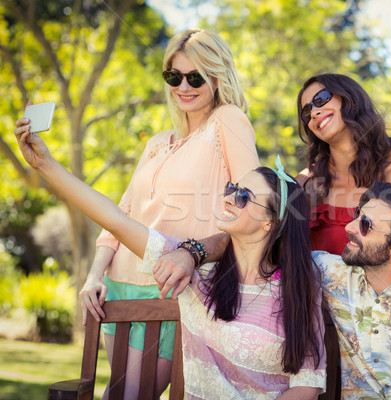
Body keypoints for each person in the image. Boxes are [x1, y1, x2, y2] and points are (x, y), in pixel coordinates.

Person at [13, 117, 326, 398]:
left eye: (243, 197)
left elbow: (307, 383)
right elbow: (115, 219)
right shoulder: (197, 277)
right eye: (232, 187)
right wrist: (45, 164)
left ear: (269, 222)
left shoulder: (297, 288)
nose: (229, 197)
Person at [151, 182, 391, 399]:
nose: (349, 227)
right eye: (358, 215)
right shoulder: (329, 273)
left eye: (366, 225)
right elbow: (248, 237)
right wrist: (190, 252)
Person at [77, 28, 260, 399]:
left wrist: (193, 253)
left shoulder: (228, 120)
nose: (183, 86)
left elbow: (252, 213)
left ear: (217, 76)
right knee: (118, 394)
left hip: (173, 288)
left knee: (129, 395)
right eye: (174, 76)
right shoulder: (157, 143)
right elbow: (122, 213)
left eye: (195, 77)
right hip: (118, 288)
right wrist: (94, 274)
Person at [297, 73, 391, 256]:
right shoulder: (305, 182)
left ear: (349, 97)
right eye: (307, 112)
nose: (314, 113)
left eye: (321, 99)